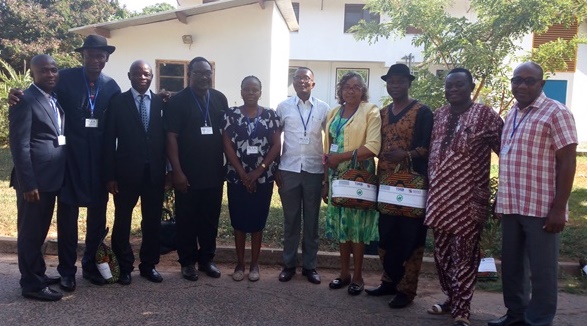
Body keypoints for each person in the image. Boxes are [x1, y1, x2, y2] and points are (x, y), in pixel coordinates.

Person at [9, 35, 121, 290]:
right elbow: (38, 93)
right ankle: (67, 271)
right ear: (83, 56)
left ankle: (91, 267)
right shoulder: (65, 78)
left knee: (97, 219)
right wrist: (17, 95)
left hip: (98, 164)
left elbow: (118, 123)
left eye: (100, 55)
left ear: (107, 58)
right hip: (68, 162)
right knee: (67, 219)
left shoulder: (112, 87)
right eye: (91, 54)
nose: (95, 59)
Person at [489, 62, 577, 326]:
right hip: (512, 203)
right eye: (517, 80)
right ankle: (515, 315)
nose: (522, 86)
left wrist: (559, 208)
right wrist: (499, 198)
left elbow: (568, 162)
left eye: (529, 81)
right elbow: (509, 157)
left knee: (542, 271)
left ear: (541, 84)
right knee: (512, 267)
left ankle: (538, 321)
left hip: (542, 207)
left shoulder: (557, 113)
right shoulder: (514, 112)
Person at [424, 68, 503, 326]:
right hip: (439, 200)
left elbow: (506, 152)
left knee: (465, 255)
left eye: (459, 85)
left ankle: (462, 310)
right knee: (442, 255)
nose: (453, 90)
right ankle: (451, 298)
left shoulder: (486, 116)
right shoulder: (439, 115)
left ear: (471, 87)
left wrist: (503, 191)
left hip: (469, 200)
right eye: (449, 86)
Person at [366, 64, 433, 308]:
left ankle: (406, 290)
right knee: (387, 234)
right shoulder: (382, 113)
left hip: (412, 186)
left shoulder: (423, 112)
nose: (395, 85)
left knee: (410, 237)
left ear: (408, 83)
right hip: (386, 184)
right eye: (391, 81)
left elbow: (428, 147)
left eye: (400, 81)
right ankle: (389, 281)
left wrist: (405, 155)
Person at [103, 60, 168, 285]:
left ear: (152, 77)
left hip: (154, 175)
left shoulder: (160, 103)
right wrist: (110, 176)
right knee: (123, 221)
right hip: (125, 175)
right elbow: (109, 140)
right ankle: (124, 266)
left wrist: (168, 172)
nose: (143, 77)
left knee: (151, 222)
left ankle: (148, 265)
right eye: (138, 74)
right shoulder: (118, 102)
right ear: (129, 75)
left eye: (147, 74)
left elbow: (166, 141)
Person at [9, 54, 67, 301]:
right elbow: (19, 145)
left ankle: (37, 273)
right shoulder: (25, 100)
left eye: (54, 70)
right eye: (44, 71)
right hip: (34, 183)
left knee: (39, 231)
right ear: (33, 74)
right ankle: (32, 284)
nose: (51, 74)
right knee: (30, 233)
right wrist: (28, 183)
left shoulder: (52, 98)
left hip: (50, 179)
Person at [165, 56, 228, 281]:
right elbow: (171, 137)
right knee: (187, 219)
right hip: (187, 174)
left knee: (210, 220)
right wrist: (177, 171)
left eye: (207, 72)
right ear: (189, 75)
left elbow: (226, 135)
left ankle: (207, 260)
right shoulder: (178, 101)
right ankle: (188, 262)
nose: (204, 77)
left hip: (213, 172)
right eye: (199, 73)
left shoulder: (220, 99)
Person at [322, 72, 381, 295]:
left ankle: (358, 276)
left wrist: (342, 157)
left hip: (359, 176)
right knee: (341, 226)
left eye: (357, 87)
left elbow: (373, 147)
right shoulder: (334, 112)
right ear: (341, 90)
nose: (351, 90)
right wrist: (326, 180)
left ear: (362, 91)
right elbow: (328, 149)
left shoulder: (371, 111)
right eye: (347, 86)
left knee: (358, 228)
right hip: (337, 176)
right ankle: (344, 273)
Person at [223, 76, 281, 282]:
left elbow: (276, 146)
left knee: (257, 222)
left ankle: (255, 264)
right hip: (237, 177)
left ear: (260, 92)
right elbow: (227, 145)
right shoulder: (231, 114)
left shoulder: (271, 116)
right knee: (238, 222)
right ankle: (240, 264)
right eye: (246, 89)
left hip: (263, 178)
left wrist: (258, 171)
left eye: (254, 90)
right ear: (241, 91)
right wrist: (242, 173)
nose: (250, 93)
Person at [275, 67, 330, 284]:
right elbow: (275, 138)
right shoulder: (283, 107)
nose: (301, 81)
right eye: (297, 78)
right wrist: (276, 168)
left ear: (313, 83)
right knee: (291, 219)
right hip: (289, 169)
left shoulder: (324, 109)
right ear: (293, 82)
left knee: (312, 220)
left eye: (306, 78)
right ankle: (288, 265)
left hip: (314, 170)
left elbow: (331, 139)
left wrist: (326, 176)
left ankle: (310, 266)